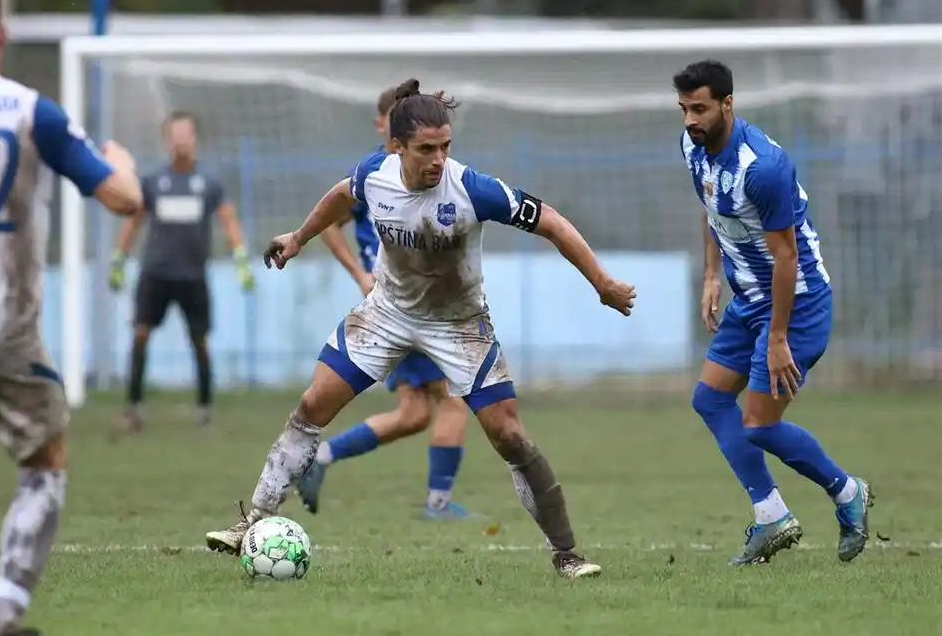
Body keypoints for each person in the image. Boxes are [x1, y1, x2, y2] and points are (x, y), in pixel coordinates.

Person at [206, 79, 637, 578]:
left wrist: (602, 284)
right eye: (426, 149)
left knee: (510, 436)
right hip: (386, 314)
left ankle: (567, 554)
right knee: (310, 406)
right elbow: (341, 196)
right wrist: (299, 237)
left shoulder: (473, 189)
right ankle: (253, 523)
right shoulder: (375, 174)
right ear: (397, 148)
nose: (438, 159)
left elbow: (553, 222)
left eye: (445, 147)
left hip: (459, 325)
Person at [0, 0, 143, 635]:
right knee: (45, 461)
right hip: (3, 323)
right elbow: (121, 200)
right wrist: (123, 163)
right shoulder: (36, 112)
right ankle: (6, 610)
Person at [674, 59, 873, 566]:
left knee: (760, 425)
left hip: (797, 305)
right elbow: (711, 208)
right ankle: (771, 516)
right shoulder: (693, 149)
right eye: (683, 109)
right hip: (751, 302)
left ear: (727, 104)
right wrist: (712, 275)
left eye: (699, 109)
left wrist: (779, 336)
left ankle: (848, 492)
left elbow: (786, 256)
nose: (690, 120)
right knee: (709, 400)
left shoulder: (762, 168)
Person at [296, 86, 473, 520]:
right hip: (406, 305)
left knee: (414, 414)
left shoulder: (414, 173)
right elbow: (330, 222)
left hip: (407, 303)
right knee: (455, 398)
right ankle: (439, 504)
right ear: (385, 127)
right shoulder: (376, 174)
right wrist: (360, 273)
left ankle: (320, 458)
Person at [108, 110, 255, 432]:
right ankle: (133, 410)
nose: (181, 141)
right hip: (155, 274)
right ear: (166, 140)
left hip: (193, 277)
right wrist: (119, 258)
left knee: (200, 342)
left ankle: (204, 411)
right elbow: (134, 221)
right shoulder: (152, 182)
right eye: (175, 135)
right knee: (141, 335)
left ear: (195, 138)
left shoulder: (209, 184)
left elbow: (228, 220)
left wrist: (241, 258)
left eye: (186, 134)